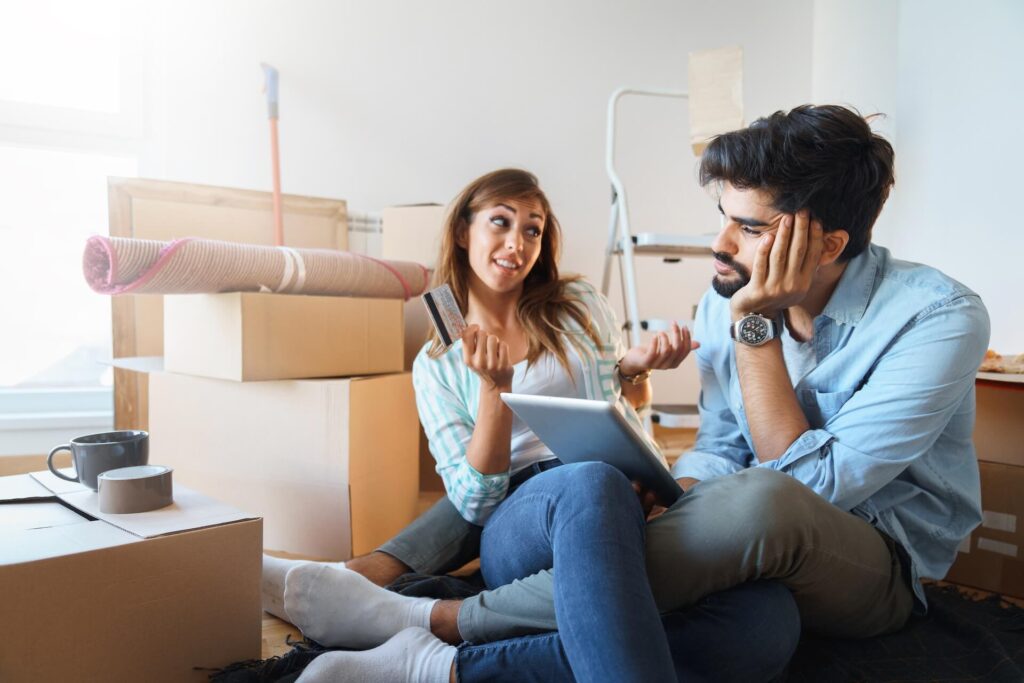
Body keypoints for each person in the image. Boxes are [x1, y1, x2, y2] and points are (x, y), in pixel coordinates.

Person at [337, 104, 988, 653]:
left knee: (761, 500)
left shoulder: (938, 317)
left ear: (825, 244)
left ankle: (444, 619)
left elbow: (805, 488)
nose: (721, 243)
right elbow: (722, 448)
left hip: (877, 564)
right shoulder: (723, 292)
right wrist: (675, 487)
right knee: (753, 631)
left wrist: (754, 326)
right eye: (723, 215)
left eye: (750, 226)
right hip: (752, 549)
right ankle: (444, 653)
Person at [262, 168, 801, 682]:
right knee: (592, 482)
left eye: (532, 230)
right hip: (523, 518)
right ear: (463, 230)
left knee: (766, 618)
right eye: (500, 221)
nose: (516, 243)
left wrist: (635, 382)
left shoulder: (577, 305)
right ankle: (366, 588)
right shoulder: (438, 363)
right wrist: (495, 392)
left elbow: (623, 415)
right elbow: (473, 504)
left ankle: (434, 665)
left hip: (620, 496)